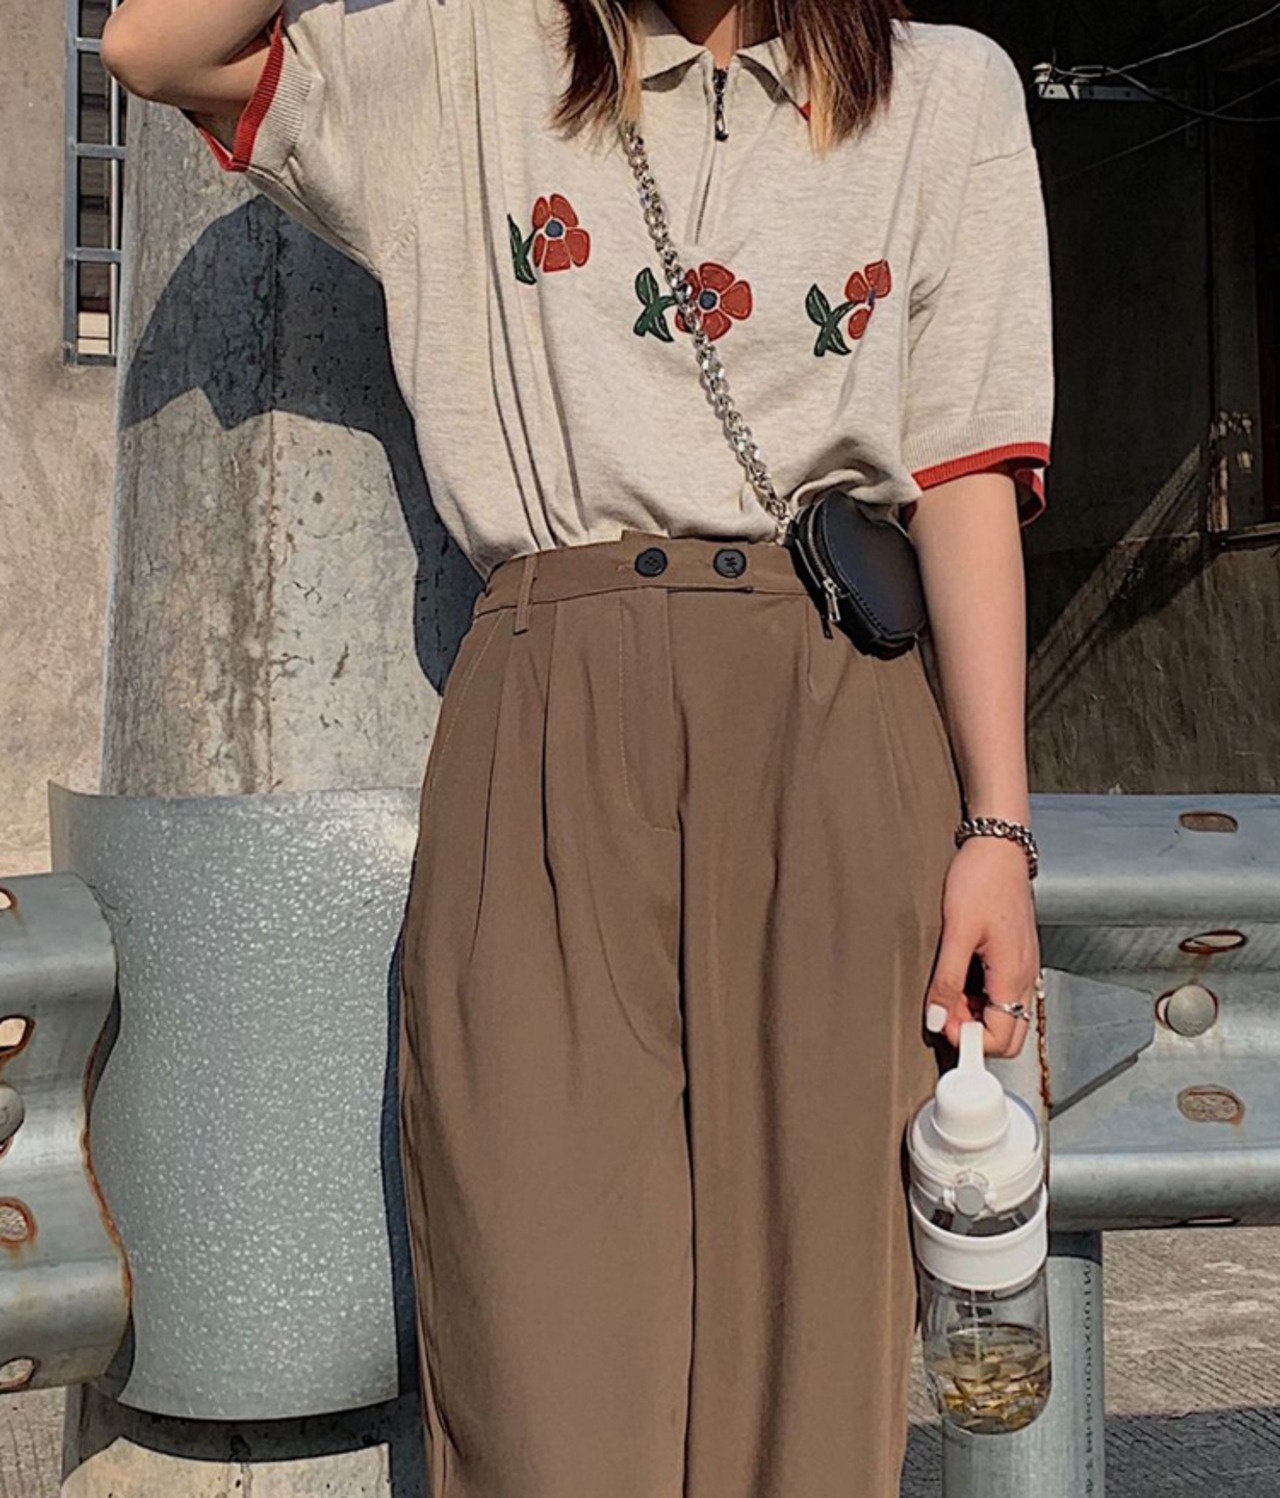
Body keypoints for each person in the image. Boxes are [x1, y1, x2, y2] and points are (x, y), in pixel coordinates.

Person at [102, 1, 1054, 1492]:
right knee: (537, 1369)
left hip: (833, 719)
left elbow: (965, 477)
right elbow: (159, 48)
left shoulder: (946, 93)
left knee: (813, 1379)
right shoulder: (475, 57)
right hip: (545, 714)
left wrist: (996, 828)